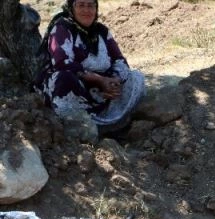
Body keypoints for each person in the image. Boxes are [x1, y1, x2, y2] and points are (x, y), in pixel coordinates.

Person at [33, 0, 145, 133]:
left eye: (91, 5)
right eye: (81, 5)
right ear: (71, 8)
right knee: (64, 78)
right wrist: (99, 80)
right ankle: (80, 125)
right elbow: (61, 62)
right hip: (75, 86)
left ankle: (111, 122)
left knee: (136, 78)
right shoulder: (62, 28)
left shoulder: (102, 31)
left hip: (102, 91)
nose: (86, 10)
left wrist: (114, 81)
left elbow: (119, 60)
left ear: (96, 8)